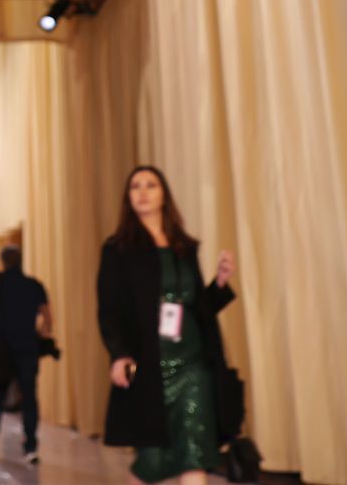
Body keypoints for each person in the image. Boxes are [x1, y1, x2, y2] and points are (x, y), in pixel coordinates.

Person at [98, 165, 238, 485]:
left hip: (193, 364)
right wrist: (118, 354)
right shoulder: (118, 249)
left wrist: (220, 282)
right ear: (128, 198)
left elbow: (198, 308)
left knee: (195, 450)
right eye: (135, 186)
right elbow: (109, 310)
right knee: (151, 459)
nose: (143, 192)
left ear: (164, 196)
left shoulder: (184, 247)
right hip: (150, 366)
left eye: (151, 185)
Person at [0, 244, 51, 463]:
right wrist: (41, 335)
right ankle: (30, 447)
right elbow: (48, 317)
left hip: (3, 347)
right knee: (29, 397)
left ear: (2, 261)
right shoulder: (34, 285)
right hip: (28, 347)